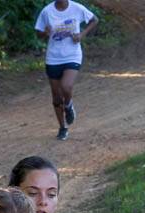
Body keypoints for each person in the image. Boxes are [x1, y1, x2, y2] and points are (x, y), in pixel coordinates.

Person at [35, 0, 98, 141]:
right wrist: (44, 33)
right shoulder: (47, 11)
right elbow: (38, 32)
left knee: (66, 86)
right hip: (53, 57)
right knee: (56, 97)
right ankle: (63, 128)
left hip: (72, 55)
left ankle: (69, 105)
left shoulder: (77, 8)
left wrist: (82, 35)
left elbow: (94, 20)